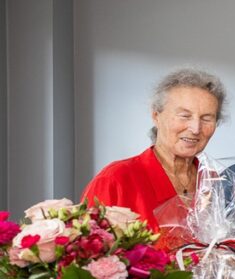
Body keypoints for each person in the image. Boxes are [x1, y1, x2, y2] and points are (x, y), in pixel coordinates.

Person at [82, 67, 227, 252]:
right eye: (184, 116)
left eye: (207, 118)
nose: (195, 128)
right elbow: (86, 253)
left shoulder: (216, 184)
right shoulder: (116, 179)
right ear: (156, 116)